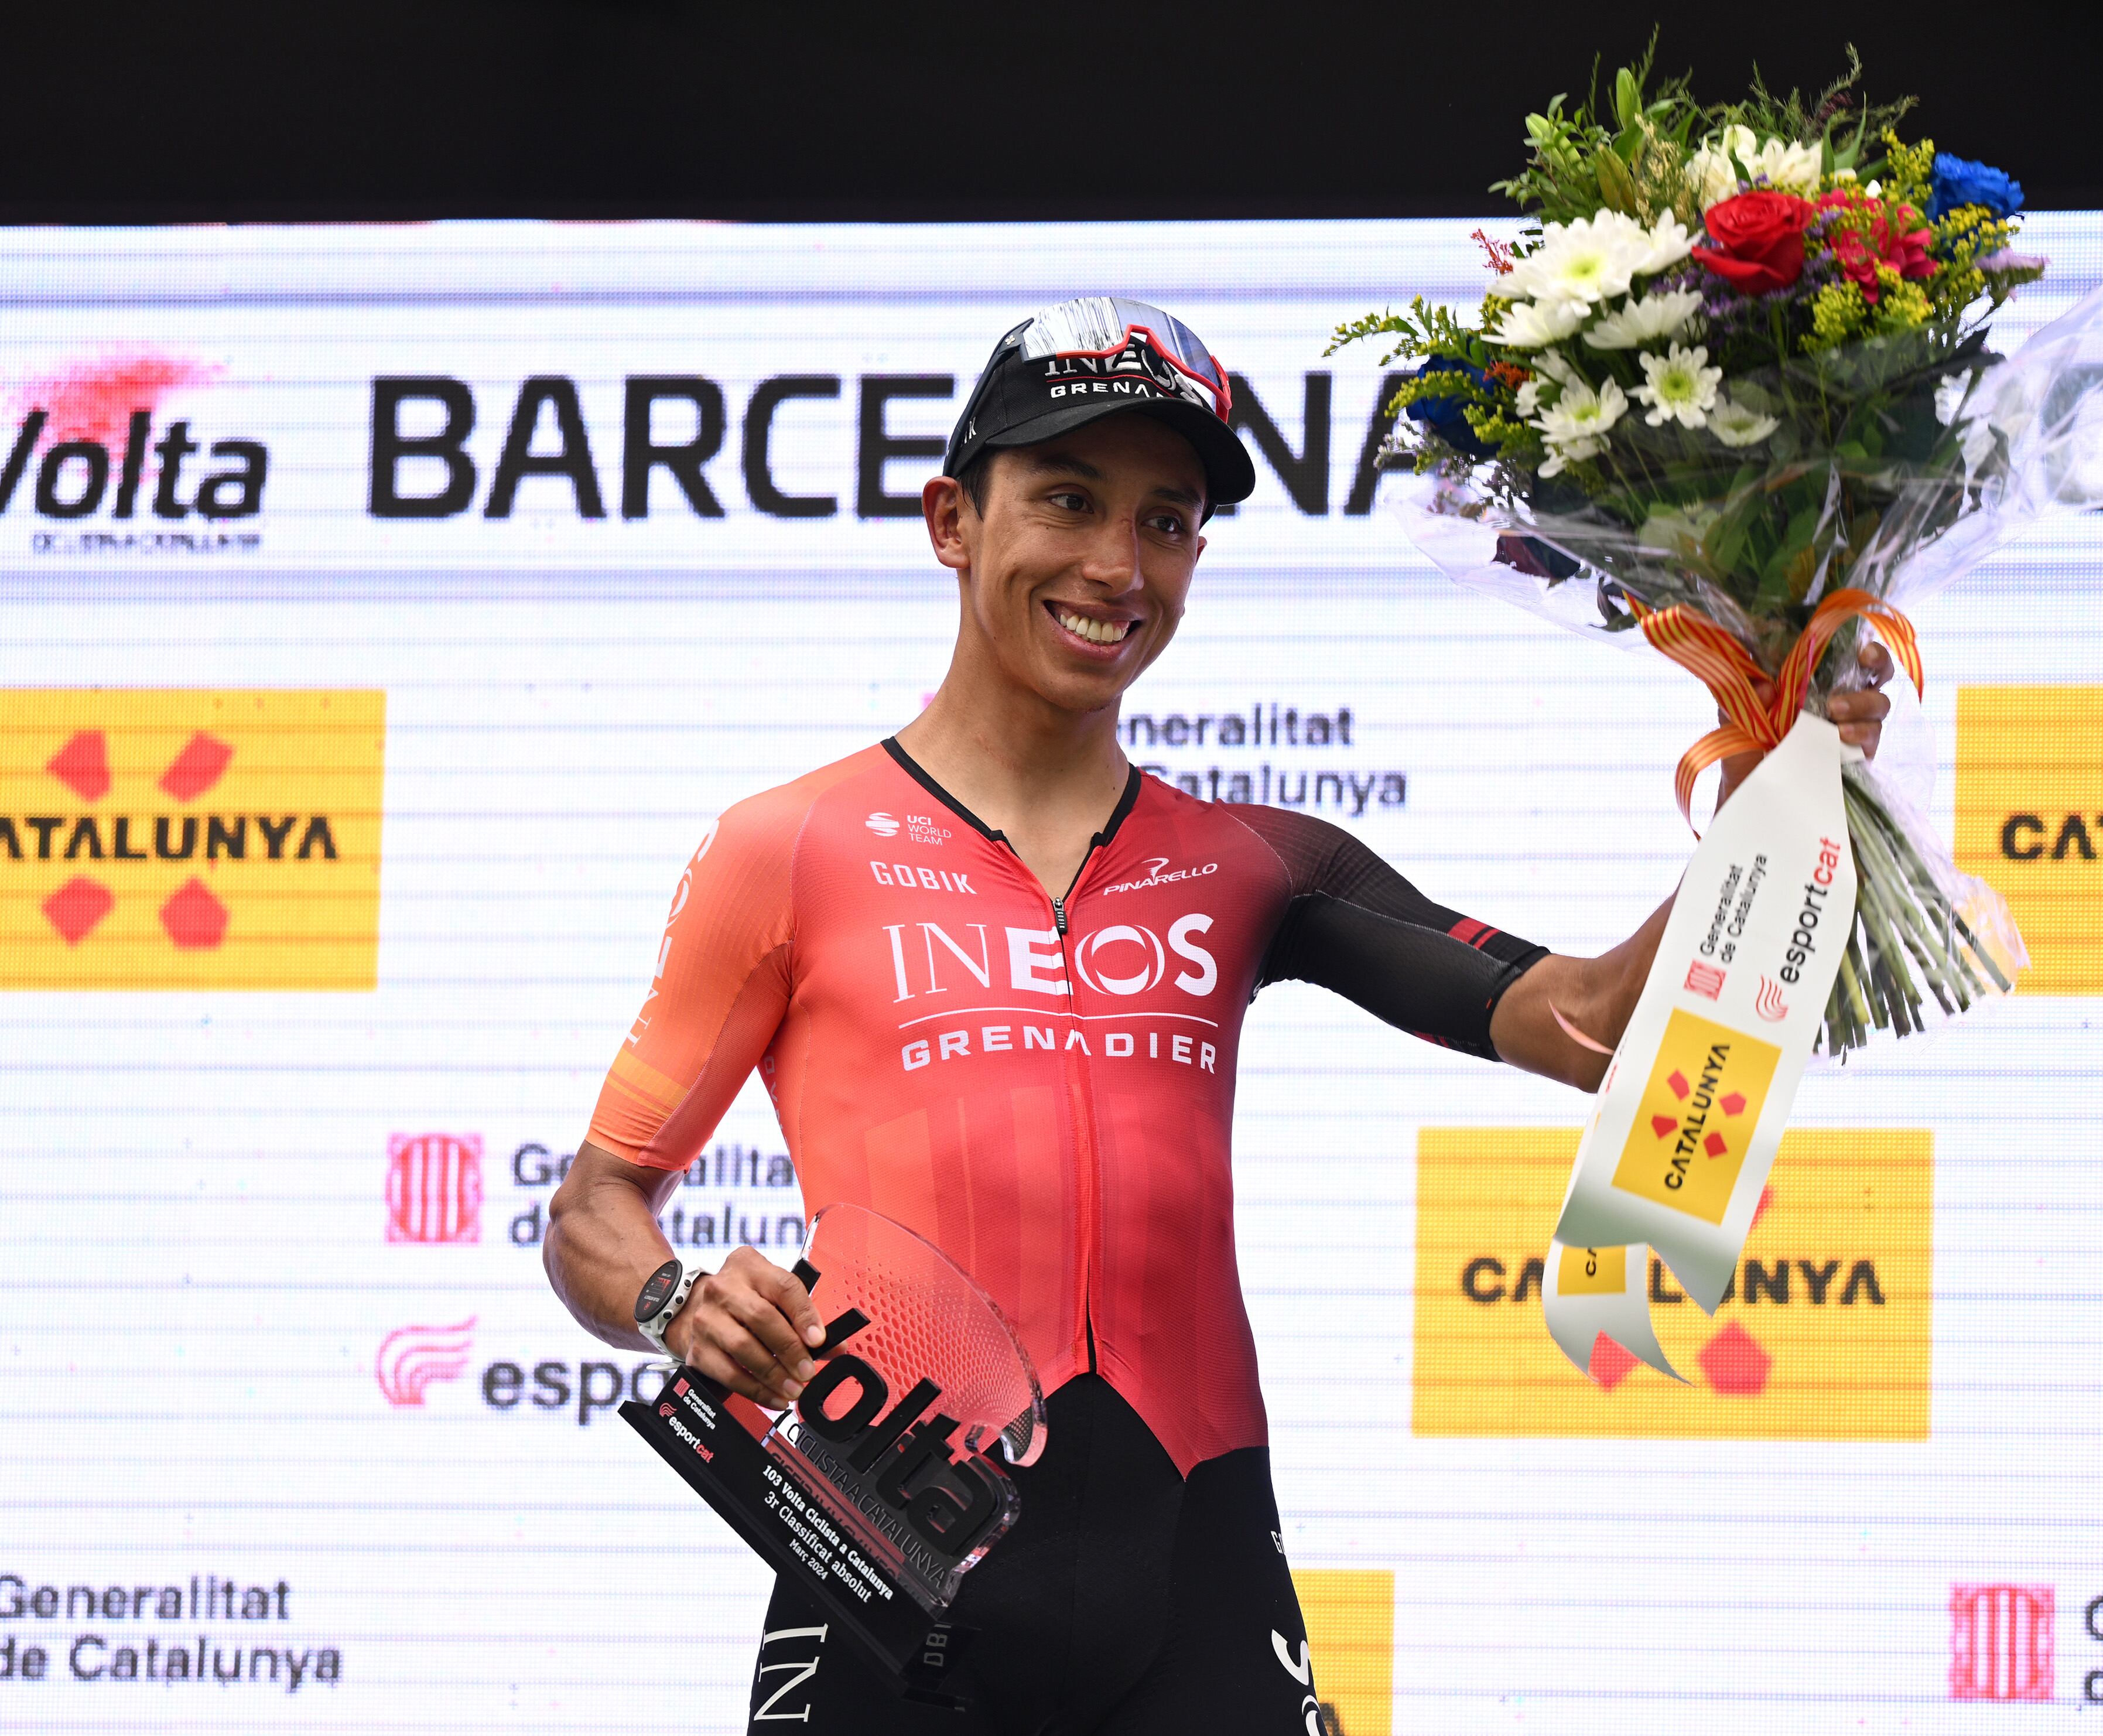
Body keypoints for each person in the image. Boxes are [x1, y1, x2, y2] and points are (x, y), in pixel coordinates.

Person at [543, 296, 1891, 1732]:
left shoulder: (1254, 863)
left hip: (1193, 1578)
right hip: (885, 1570)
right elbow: (593, 1208)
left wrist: (1774, 784)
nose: (1116, 567)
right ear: (951, 519)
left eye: (1167, 523)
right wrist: (676, 1302)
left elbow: (1591, 1029)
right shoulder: (793, 845)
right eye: (1068, 500)